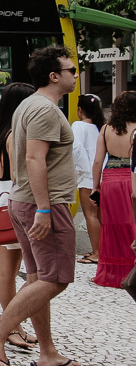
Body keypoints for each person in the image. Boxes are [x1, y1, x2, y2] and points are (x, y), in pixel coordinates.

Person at [0, 46, 82, 366]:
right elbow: (34, 159)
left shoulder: (27, 105)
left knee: (37, 276)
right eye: (71, 70)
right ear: (54, 75)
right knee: (56, 278)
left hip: (20, 200)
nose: (75, 75)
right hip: (41, 203)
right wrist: (45, 209)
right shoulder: (45, 110)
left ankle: (47, 351)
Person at [0, 81, 39, 353]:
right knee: (12, 271)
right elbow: (21, 175)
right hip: (16, 201)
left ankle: (14, 325)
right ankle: (11, 327)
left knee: (9, 270)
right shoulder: (13, 135)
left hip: (2, 199)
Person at [90, 90, 136, 288]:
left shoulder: (106, 129)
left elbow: (98, 160)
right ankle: (130, 271)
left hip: (109, 181)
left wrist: (95, 187)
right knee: (131, 224)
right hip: (130, 179)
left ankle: (110, 272)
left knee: (110, 226)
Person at [73, 93, 104, 265]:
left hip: (87, 177)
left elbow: (76, 149)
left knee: (89, 214)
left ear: (79, 110)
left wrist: (82, 171)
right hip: (101, 175)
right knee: (99, 215)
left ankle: (97, 252)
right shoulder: (100, 127)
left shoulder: (79, 126)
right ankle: (102, 250)